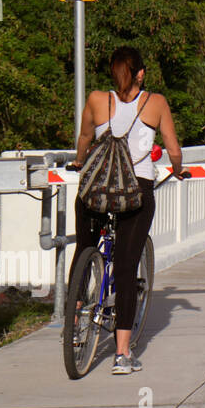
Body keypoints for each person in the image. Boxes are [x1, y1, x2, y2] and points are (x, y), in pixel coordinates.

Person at [67, 46, 187, 374]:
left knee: (84, 250)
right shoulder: (156, 102)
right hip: (136, 192)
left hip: (96, 190)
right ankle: (122, 355)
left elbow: (84, 138)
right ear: (140, 74)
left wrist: (80, 162)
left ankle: (74, 322)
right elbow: (173, 149)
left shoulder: (95, 99)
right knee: (124, 268)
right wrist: (177, 168)